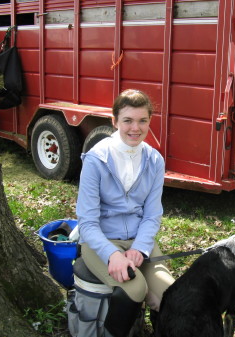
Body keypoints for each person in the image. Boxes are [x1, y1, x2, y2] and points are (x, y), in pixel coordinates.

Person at [76, 89, 174, 336]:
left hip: (139, 241)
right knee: (135, 288)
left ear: (149, 121)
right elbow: (87, 222)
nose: (135, 128)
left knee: (170, 293)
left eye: (143, 121)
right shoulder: (96, 159)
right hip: (101, 241)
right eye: (128, 120)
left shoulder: (155, 160)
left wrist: (140, 248)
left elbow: (152, 215)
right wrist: (113, 255)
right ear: (114, 121)